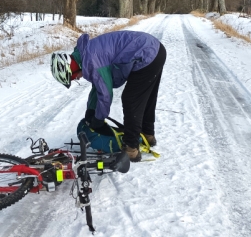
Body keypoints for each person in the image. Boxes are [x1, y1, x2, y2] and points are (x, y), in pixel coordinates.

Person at [51, 30, 166, 162]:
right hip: (155, 49)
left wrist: (99, 119)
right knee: (146, 95)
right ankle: (148, 134)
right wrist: (91, 110)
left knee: (131, 99)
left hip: (148, 54)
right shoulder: (86, 54)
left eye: (73, 77)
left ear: (72, 69)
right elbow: (98, 85)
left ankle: (131, 148)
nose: (77, 78)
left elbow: (105, 94)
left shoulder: (91, 61)